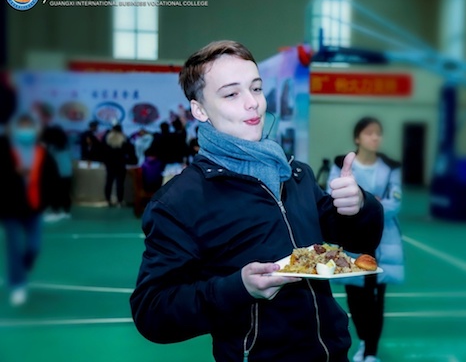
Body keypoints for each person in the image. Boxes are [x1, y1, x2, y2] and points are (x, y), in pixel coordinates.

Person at [130, 40, 384, 362]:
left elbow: (358, 242)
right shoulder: (181, 201)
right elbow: (152, 311)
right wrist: (238, 288)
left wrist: (359, 206)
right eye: (231, 94)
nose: (253, 104)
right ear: (199, 109)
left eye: (256, 88)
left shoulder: (295, 175)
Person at [327, 117, 405, 362]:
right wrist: (372, 203)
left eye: (378, 133)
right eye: (369, 133)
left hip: (384, 242)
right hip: (353, 240)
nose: (375, 137)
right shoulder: (341, 165)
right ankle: (363, 339)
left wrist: (363, 204)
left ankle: (371, 351)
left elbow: (394, 203)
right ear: (357, 138)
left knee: (376, 298)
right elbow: (333, 198)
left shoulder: (391, 168)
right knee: (355, 297)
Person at [0, 113, 59, 306]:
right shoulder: (6, 151)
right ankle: (17, 284)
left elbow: (51, 177)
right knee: (14, 247)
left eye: (28, 127)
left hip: (34, 206)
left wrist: (49, 201)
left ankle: (22, 267)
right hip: (10, 208)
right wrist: (13, 173)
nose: (25, 131)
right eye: (22, 127)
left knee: (34, 246)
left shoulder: (41, 152)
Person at [41, 122, 73, 221]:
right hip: (67, 172)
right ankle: (66, 212)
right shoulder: (66, 145)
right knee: (65, 193)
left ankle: (56, 211)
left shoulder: (51, 147)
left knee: (54, 193)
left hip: (56, 173)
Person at [103, 124, 134, 207]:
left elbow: (103, 151)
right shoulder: (124, 138)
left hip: (110, 164)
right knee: (120, 183)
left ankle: (108, 200)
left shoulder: (108, 138)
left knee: (109, 182)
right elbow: (130, 151)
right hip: (120, 164)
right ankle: (119, 201)